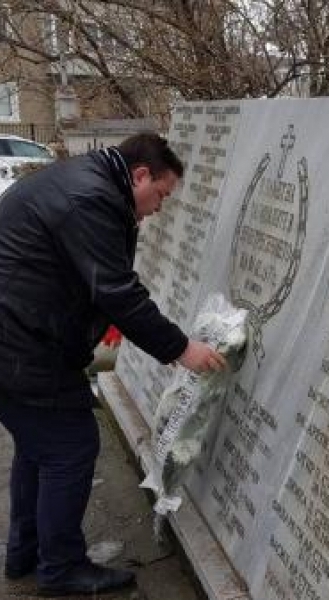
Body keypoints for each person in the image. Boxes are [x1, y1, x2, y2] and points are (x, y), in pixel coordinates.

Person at [0, 133, 225, 596]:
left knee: (39, 448)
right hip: (21, 346)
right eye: (160, 194)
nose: (159, 207)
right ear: (140, 175)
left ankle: (26, 552)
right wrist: (183, 349)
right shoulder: (91, 198)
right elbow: (118, 291)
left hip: (19, 337)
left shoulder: (82, 180)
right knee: (70, 447)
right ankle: (60, 567)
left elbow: (83, 276)